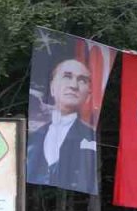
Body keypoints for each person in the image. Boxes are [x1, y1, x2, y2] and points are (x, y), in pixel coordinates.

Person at [26, 57, 98, 193]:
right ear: (52, 88)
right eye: (67, 77)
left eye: (82, 80)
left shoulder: (89, 136)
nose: (74, 86)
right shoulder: (33, 137)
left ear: (88, 94)